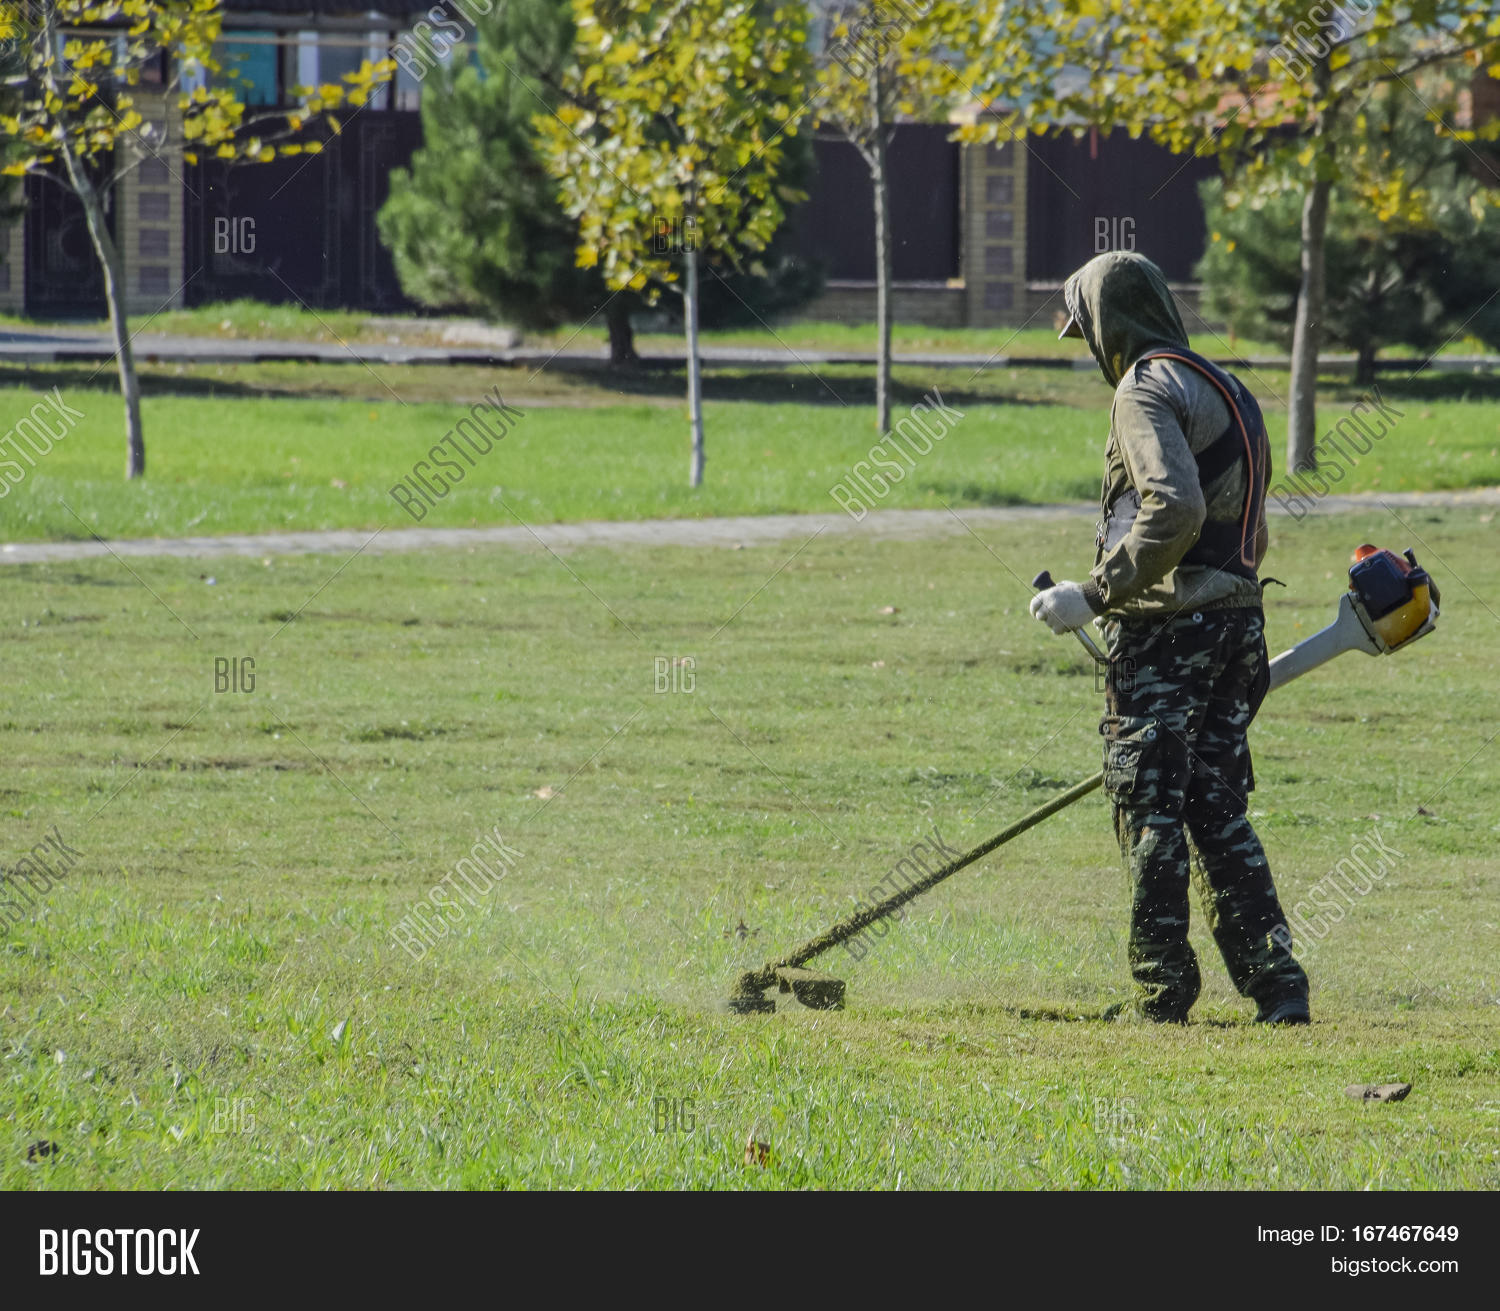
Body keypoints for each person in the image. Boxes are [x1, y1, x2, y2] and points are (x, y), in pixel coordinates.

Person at [1029, 250, 1310, 1025]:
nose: (1087, 348)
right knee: (1216, 806)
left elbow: (1177, 508)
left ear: (1107, 325)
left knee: (1148, 802)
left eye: (1085, 330)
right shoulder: (1226, 386)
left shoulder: (1142, 388)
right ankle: (1278, 985)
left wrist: (1090, 594)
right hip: (1238, 625)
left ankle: (1162, 993)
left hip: (1169, 634)